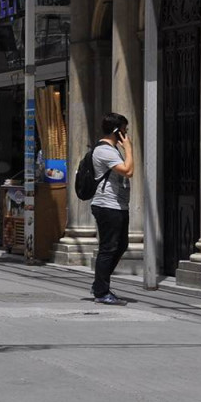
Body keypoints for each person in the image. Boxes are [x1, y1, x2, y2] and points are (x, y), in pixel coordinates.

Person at [89, 112, 135, 306]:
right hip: (107, 205)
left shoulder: (111, 149)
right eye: (124, 130)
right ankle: (101, 291)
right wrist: (129, 149)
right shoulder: (104, 151)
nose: (126, 133)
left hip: (117, 205)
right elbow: (128, 171)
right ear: (117, 131)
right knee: (108, 248)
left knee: (121, 244)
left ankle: (99, 284)